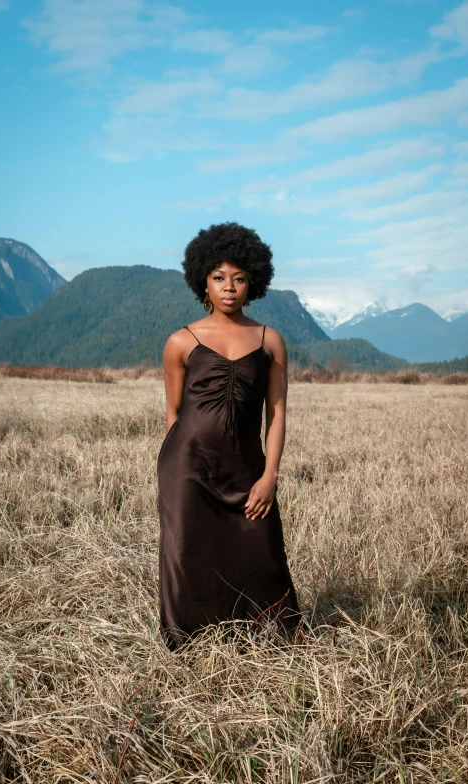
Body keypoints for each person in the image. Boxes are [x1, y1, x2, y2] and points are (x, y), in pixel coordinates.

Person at [157, 221, 301, 650]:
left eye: (239, 278)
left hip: (247, 468)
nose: (229, 287)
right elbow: (173, 415)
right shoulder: (180, 342)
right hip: (188, 469)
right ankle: (192, 645)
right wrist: (180, 473)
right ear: (203, 280)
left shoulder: (269, 341)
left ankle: (273, 638)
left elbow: (276, 414)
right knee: (189, 555)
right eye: (219, 277)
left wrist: (270, 474)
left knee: (262, 549)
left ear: (253, 282)